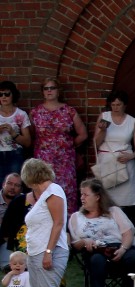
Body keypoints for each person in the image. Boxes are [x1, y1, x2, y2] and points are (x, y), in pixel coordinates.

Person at [20, 158, 70, 287]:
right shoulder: (42, 195)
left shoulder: (53, 191)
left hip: (50, 252)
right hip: (34, 253)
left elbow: (58, 224)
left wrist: (48, 252)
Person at [69, 178, 135, 287]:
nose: (82, 198)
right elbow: (74, 243)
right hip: (95, 251)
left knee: (134, 258)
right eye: (81, 194)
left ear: (97, 197)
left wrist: (123, 249)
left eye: (86, 194)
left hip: (118, 247)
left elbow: (128, 233)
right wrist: (85, 241)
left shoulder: (114, 211)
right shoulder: (76, 217)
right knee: (97, 260)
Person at [30, 78, 86, 213]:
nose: (49, 91)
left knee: (66, 193)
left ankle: (67, 223)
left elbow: (83, 134)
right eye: (46, 88)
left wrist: (67, 145)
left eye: (52, 88)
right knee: (44, 192)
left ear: (58, 91)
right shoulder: (35, 112)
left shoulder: (69, 111)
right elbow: (31, 137)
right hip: (43, 162)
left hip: (65, 161)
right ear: (42, 92)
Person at [91, 90, 135, 210]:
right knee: (105, 200)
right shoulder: (104, 117)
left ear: (125, 105)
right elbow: (96, 143)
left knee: (124, 203)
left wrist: (131, 156)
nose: (115, 108)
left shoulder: (132, 121)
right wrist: (103, 130)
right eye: (113, 105)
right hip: (107, 163)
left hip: (124, 163)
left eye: (118, 105)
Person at [0, 81, 32, 179]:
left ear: (13, 95)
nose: (3, 97)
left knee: (14, 183)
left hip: (15, 154)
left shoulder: (21, 114)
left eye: (7, 94)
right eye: (0, 94)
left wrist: (13, 133)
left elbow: (27, 142)